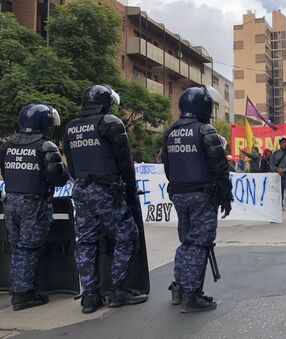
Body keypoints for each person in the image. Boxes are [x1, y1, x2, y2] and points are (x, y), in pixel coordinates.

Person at [64, 85, 148, 314]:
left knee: (87, 241)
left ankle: (90, 295)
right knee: (127, 235)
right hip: (106, 190)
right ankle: (118, 289)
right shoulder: (110, 123)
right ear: (105, 102)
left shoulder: (70, 128)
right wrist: (130, 190)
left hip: (81, 190)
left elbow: (71, 165)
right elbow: (124, 162)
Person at [162, 86, 232, 313]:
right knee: (199, 244)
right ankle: (192, 296)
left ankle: (179, 287)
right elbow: (220, 168)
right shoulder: (205, 130)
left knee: (186, 242)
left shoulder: (171, 132)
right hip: (202, 194)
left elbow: (167, 166)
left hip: (179, 193)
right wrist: (225, 196)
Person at [0, 104, 69, 311]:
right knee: (29, 248)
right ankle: (24, 294)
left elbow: (6, 171)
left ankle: (19, 289)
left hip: (10, 201)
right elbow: (58, 180)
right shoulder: (45, 147)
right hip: (34, 203)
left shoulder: (6, 145)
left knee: (17, 247)